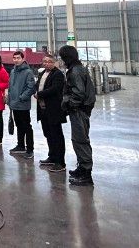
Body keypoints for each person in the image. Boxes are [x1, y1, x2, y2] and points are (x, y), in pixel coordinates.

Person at [60, 45, 97, 186]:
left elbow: (78, 93)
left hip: (79, 110)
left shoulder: (75, 71)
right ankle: (82, 168)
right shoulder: (78, 68)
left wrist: (70, 105)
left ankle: (86, 174)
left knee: (80, 140)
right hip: (80, 109)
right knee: (78, 139)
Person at [35, 54, 68, 172]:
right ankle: (52, 157)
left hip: (54, 109)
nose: (47, 63)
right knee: (48, 134)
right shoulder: (42, 73)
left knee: (56, 135)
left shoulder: (58, 74)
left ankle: (60, 162)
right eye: (45, 61)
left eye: (49, 61)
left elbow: (55, 89)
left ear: (54, 63)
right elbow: (37, 85)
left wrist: (39, 94)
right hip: (43, 109)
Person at [6, 50, 38, 156]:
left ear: (23, 59)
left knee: (26, 126)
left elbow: (31, 87)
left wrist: (22, 97)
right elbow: (11, 86)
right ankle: (20, 145)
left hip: (23, 104)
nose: (16, 60)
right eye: (14, 58)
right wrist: (9, 99)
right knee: (19, 125)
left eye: (18, 58)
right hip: (14, 104)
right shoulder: (13, 71)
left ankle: (30, 149)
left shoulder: (28, 72)